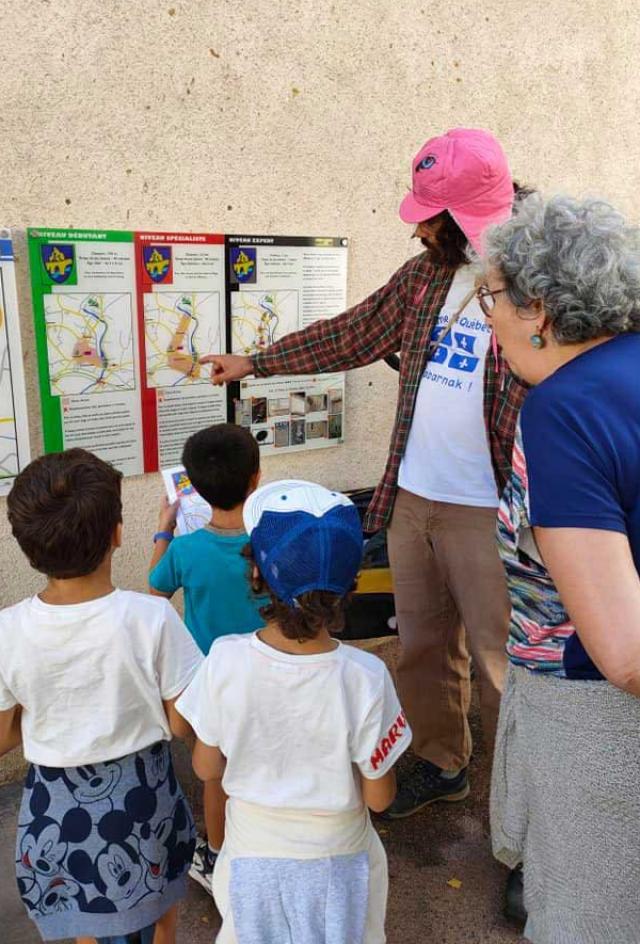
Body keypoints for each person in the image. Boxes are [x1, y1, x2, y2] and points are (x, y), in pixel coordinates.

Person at [201, 128, 528, 818]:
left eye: (430, 219)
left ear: (467, 217)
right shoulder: (425, 278)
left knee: (510, 666)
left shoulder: (534, 285)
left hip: (490, 509)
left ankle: (533, 816)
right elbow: (352, 332)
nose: (418, 233)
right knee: (423, 644)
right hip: (412, 496)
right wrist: (256, 362)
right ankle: (443, 763)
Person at [476, 193, 640, 943]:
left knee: (588, 916)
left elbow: (627, 654)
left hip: (598, 720)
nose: (489, 319)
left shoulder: (564, 411)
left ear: (538, 307)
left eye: (491, 298)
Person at [174, 479, 412, 943]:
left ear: (257, 575)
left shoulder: (225, 659)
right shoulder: (365, 676)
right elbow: (380, 798)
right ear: (351, 586)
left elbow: (206, 766)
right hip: (341, 864)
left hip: (252, 856)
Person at [0, 449, 202, 944]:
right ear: (117, 533)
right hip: (145, 799)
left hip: (55, 805)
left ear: (27, 545)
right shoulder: (152, 619)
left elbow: (2, 736)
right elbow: (182, 725)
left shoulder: (8, 631)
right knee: (158, 914)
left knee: (84, 920)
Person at [148, 423, 267, 894]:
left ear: (194, 488)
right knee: (255, 756)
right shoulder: (269, 541)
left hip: (208, 680)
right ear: (257, 478)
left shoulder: (185, 549)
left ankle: (216, 854)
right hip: (263, 670)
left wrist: (165, 529)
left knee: (214, 772)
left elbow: (156, 587)